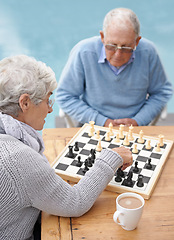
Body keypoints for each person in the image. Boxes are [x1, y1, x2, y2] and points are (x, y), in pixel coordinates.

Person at [0, 55, 132, 240]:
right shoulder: (16, 158)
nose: (50, 109)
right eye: (47, 100)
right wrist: (110, 158)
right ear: (25, 103)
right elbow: (76, 202)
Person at [56, 8, 173, 127]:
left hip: (135, 128)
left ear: (137, 41)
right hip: (93, 126)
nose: (118, 54)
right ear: (102, 37)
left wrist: (138, 120)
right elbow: (65, 96)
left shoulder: (148, 52)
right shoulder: (83, 52)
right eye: (111, 46)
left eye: (126, 48)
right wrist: (101, 121)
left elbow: (161, 92)